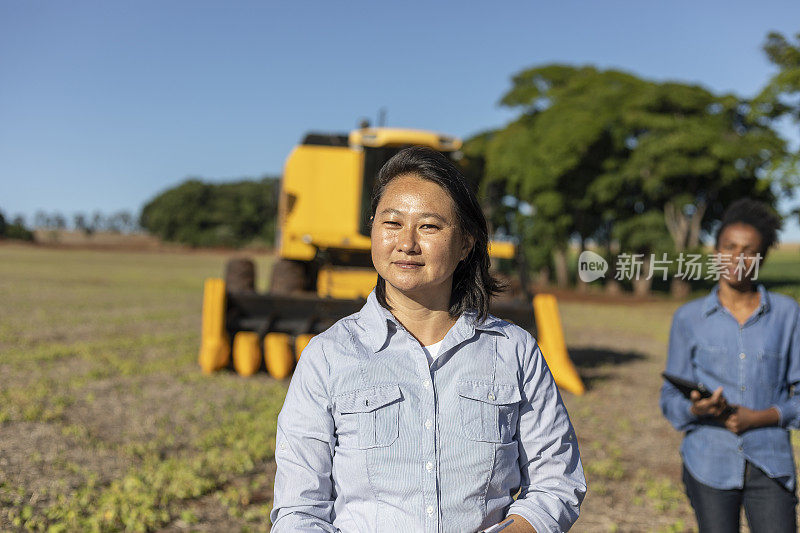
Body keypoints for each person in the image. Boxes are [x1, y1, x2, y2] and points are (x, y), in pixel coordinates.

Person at [270, 146, 586, 532]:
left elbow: (557, 483)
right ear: (373, 228)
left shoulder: (515, 351)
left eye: (429, 226)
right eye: (392, 223)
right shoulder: (328, 356)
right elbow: (299, 512)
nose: (407, 243)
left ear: (466, 243)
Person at [660, 198, 800, 533]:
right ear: (715, 252)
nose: (737, 258)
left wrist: (760, 417)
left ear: (761, 257)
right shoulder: (688, 318)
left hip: (771, 462)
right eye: (729, 247)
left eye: (748, 250)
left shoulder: (787, 314)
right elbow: (670, 399)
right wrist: (699, 409)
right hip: (707, 459)